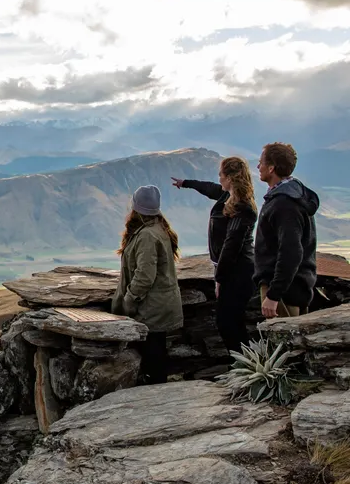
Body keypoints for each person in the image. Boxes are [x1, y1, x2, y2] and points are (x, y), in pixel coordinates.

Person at [172, 157, 258, 354]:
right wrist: (186, 183)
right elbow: (209, 188)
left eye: (221, 175)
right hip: (232, 270)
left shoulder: (242, 206)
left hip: (239, 271)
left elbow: (232, 245)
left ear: (229, 178)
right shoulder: (227, 196)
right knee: (230, 321)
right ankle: (242, 363)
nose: (218, 178)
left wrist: (220, 278)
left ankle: (246, 365)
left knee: (228, 322)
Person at [110, 185, 183, 385]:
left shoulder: (147, 235)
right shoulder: (156, 229)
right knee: (156, 352)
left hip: (151, 308)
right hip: (158, 304)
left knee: (153, 356)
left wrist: (129, 299)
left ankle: (155, 398)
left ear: (136, 208)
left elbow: (144, 275)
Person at [253, 142, 320, 318]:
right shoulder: (294, 195)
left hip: (285, 292)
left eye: (261, 162)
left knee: (284, 344)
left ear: (271, 168)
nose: (258, 166)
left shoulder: (284, 204)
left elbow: (291, 252)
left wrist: (273, 295)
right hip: (293, 287)